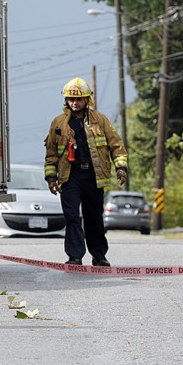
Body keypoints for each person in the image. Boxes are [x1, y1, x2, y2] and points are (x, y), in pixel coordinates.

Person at [43, 77, 127, 267]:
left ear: (87, 99)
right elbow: (51, 153)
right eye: (71, 99)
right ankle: (75, 257)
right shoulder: (58, 123)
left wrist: (121, 168)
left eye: (79, 99)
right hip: (69, 177)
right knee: (72, 216)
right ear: (66, 100)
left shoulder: (101, 121)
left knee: (94, 217)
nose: (74, 102)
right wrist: (51, 177)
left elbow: (117, 146)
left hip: (93, 177)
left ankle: (99, 256)